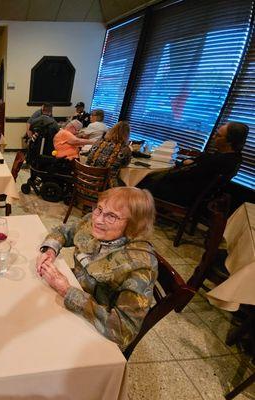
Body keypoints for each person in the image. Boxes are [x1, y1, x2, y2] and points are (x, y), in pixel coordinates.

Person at [36, 187, 157, 350]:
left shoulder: (140, 265)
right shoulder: (93, 222)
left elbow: (123, 330)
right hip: (68, 301)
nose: (98, 220)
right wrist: (50, 250)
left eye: (111, 216)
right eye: (99, 209)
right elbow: (64, 231)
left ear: (133, 225)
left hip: (92, 331)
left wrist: (67, 291)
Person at [138, 122, 248, 206]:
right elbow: (196, 164)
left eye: (218, 136)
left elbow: (186, 174)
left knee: (143, 180)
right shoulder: (235, 158)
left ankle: (137, 209)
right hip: (194, 194)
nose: (214, 137)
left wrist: (176, 169)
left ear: (230, 141)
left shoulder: (219, 161)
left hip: (184, 195)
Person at [86, 121, 132, 188]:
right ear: (126, 135)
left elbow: (89, 154)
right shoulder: (125, 149)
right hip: (106, 185)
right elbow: (124, 164)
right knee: (127, 186)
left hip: (85, 180)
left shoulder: (99, 142)